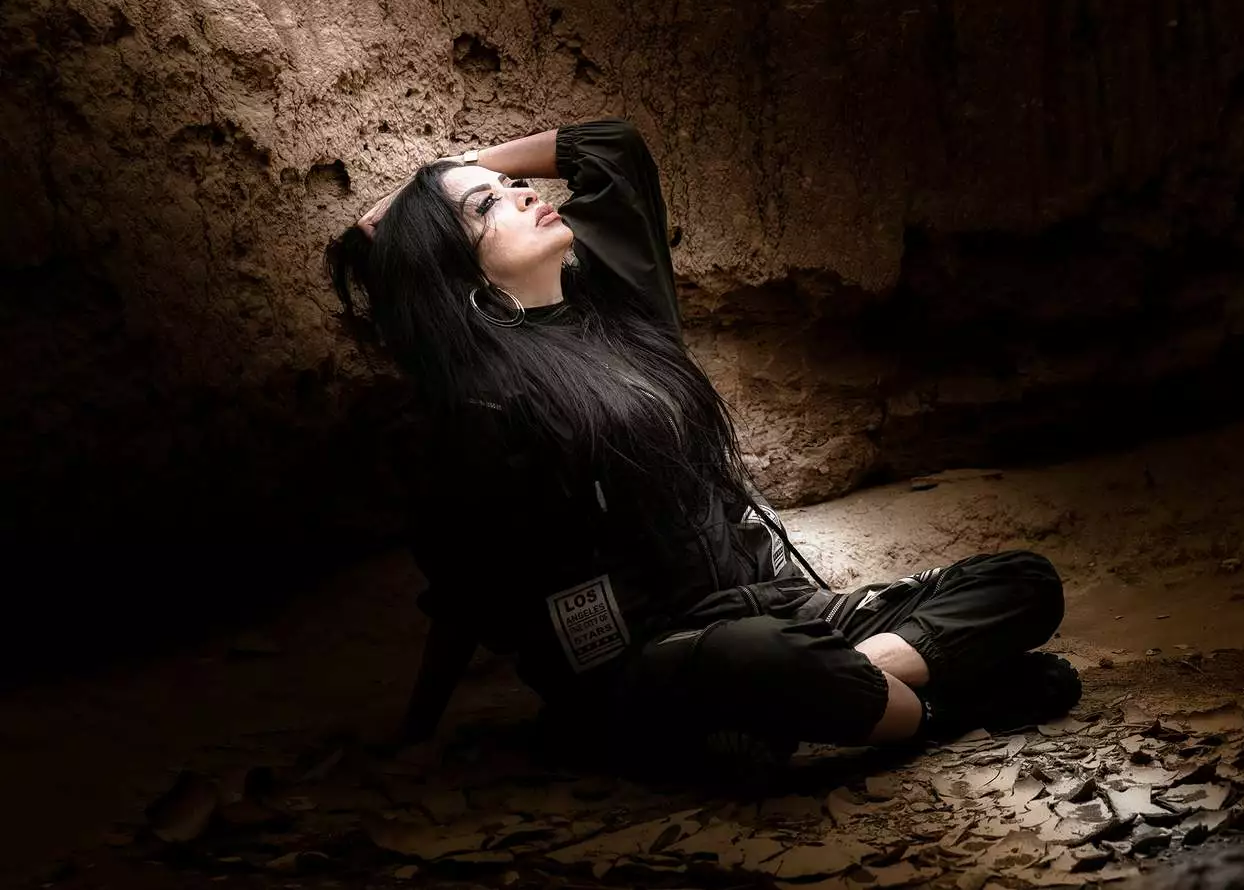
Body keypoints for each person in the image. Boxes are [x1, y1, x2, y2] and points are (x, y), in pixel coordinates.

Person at [325, 118, 1081, 772]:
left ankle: (835, 698)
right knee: (758, 658)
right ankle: (946, 708)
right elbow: (465, 592)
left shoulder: (624, 311)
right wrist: (420, 727)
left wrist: (454, 171)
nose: (523, 193)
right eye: (487, 205)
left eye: (511, 185)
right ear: (454, 271)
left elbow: (610, 149)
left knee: (1023, 580)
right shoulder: (477, 407)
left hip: (788, 613)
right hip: (659, 658)